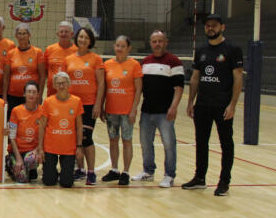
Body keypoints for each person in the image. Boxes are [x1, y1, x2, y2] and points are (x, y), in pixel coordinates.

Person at [182, 14, 243, 196]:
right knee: (201, 142)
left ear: (222, 27)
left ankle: (224, 181)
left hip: (222, 105)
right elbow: (195, 78)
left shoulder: (232, 49)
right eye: (208, 26)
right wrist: (190, 102)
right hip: (202, 105)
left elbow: (238, 77)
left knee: (226, 143)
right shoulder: (201, 50)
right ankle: (200, 177)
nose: (210, 28)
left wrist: (232, 105)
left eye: (214, 26)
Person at [132, 30, 184, 188]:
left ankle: (169, 175)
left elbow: (179, 87)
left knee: (169, 143)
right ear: (150, 43)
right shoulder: (145, 62)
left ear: (166, 42)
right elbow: (139, 87)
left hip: (165, 113)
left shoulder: (174, 61)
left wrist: (173, 107)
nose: (157, 44)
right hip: (147, 111)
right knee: (145, 142)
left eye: (160, 41)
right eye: (154, 41)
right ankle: (148, 171)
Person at [100, 36, 143, 185]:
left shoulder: (134, 65)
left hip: (126, 111)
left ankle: (125, 172)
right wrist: (102, 106)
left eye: (122, 46)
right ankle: (114, 170)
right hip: (111, 110)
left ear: (128, 48)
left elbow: (138, 90)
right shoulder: (107, 64)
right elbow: (104, 88)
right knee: (113, 140)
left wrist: (133, 110)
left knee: (127, 140)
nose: (119, 48)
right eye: (117, 45)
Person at [65, 27, 104, 185]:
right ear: (77, 38)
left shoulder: (96, 59)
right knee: (75, 138)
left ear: (90, 41)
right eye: (81, 37)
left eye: (86, 37)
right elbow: (64, 82)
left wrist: (98, 104)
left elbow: (101, 83)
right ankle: (80, 169)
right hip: (72, 104)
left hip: (88, 104)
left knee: (86, 138)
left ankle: (91, 171)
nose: (83, 40)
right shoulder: (68, 59)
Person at [37, 72, 83, 188]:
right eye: (58, 84)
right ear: (54, 86)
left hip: (68, 148)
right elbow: (42, 126)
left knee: (66, 183)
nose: (61, 86)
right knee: (48, 181)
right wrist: (40, 148)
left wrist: (79, 146)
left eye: (63, 83)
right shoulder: (48, 101)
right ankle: (52, 173)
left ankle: (64, 174)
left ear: (68, 84)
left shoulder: (76, 101)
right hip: (50, 147)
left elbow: (79, 126)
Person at [3, 23, 45, 116]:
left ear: (29, 35)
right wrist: (5, 97)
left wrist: (40, 95)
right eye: (19, 34)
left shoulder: (37, 52)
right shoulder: (10, 53)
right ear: (16, 36)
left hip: (31, 96)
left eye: (24, 33)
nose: (22, 36)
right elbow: (6, 77)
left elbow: (42, 76)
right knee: (13, 123)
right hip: (13, 96)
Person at [6, 81, 43, 183]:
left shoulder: (43, 111)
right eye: (29, 92)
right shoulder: (16, 111)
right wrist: (18, 158)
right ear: (24, 94)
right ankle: (10, 162)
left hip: (32, 152)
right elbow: (12, 137)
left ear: (38, 95)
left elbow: (44, 135)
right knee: (22, 179)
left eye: (34, 92)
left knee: (31, 161)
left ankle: (30, 169)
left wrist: (37, 150)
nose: (31, 94)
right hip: (17, 151)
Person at [44, 21, 77, 96]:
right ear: (57, 34)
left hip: (70, 93)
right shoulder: (49, 49)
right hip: (52, 92)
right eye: (61, 32)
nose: (63, 34)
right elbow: (45, 71)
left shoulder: (77, 51)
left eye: (66, 32)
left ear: (71, 34)